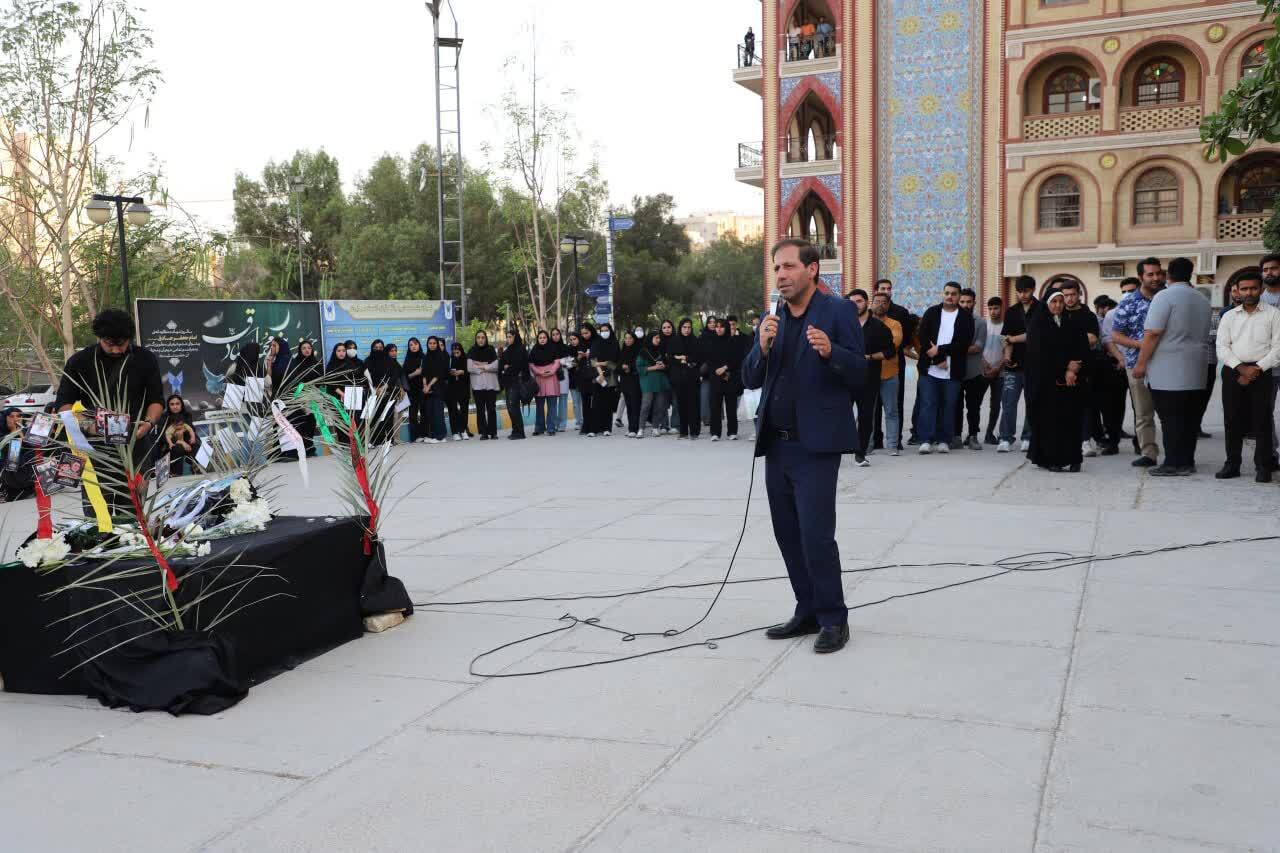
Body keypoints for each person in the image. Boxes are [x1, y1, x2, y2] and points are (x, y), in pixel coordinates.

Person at [743, 238, 865, 654]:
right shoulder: (772, 318)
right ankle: (807, 609)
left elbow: (860, 371)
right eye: (777, 267)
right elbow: (749, 377)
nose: (781, 275)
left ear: (812, 269)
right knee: (788, 536)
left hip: (815, 448)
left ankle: (833, 618)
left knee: (816, 536)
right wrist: (761, 347)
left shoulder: (837, 311)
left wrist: (832, 353)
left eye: (789, 266)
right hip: (777, 448)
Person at [54, 309, 164, 517]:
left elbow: (156, 400)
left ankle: (133, 534)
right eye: (109, 344)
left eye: (121, 344)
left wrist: (149, 423)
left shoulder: (145, 359)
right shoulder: (79, 361)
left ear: (129, 338)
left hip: (135, 444)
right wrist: (89, 426)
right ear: (99, 337)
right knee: (98, 515)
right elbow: (63, 404)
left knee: (133, 512)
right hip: (95, 447)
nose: (115, 349)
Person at [1133, 257, 1211, 476]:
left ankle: (1174, 463)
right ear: (1190, 274)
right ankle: (1187, 461)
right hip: (1197, 368)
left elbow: (1153, 333)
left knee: (1171, 419)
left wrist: (1141, 363)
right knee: (1189, 419)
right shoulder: (1202, 298)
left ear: (1168, 275)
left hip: (1169, 370)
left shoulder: (1164, 296)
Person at [1215, 269, 1280, 482]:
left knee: (1262, 420)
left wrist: (1256, 369)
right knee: (1232, 419)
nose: (1249, 292)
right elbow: (1222, 347)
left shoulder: (1274, 314)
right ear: (1237, 291)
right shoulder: (1229, 316)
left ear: (1261, 289)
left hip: (1262, 371)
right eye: (1244, 289)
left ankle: (1263, 466)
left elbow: (1278, 348)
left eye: (1253, 288)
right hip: (1233, 370)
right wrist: (1241, 368)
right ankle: (1232, 464)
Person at [1026, 291, 1090, 473]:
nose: (1058, 305)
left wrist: (1074, 369)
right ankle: (1052, 459)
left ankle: (1074, 458)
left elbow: (1082, 347)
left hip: (1071, 382)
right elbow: (1040, 353)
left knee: (1071, 420)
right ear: (1047, 303)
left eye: (1061, 301)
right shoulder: (1038, 324)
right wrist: (1065, 366)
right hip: (1046, 383)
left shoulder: (1072, 323)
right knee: (1051, 422)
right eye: (1054, 301)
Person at [1110, 259, 1164, 468]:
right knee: (1143, 413)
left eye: (1158, 273)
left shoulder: (1167, 298)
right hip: (1137, 365)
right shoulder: (1128, 302)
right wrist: (1142, 345)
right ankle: (1149, 453)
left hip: (1167, 364)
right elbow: (1116, 335)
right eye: (1150, 274)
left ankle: (1177, 454)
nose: (1155, 278)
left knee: (1170, 413)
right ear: (1141, 277)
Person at [917, 281, 975, 455]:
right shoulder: (932, 312)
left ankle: (944, 440)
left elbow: (963, 344)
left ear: (959, 296)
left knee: (949, 406)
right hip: (930, 369)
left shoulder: (965, 317)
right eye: (947, 293)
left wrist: (940, 350)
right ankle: (926, 440)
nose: (950, 296)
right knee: (928, 404)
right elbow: (923, 336)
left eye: (954, 294)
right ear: (943, 294)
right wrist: (938, 359)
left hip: (953, 370)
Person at [849, 289, 893, 464]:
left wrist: (870, 357)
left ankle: (860, 453)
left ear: (867, 303)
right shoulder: (843, 324)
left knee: (866, 416)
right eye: (851, 302)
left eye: (859, 301)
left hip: (869, 378)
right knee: (839, 414)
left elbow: (889, 351)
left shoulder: (879, 327)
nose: (855, 305)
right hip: (844, 378)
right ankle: (837, 448)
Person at [1059, 280, 1101, 458]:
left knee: (1085, 405)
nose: (1069, 299)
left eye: (1072, 295)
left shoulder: (1087, 315)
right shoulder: (1058, 313)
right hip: (1061, 365)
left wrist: (1067, 338)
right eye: (1065, 295)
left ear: (1079, 294)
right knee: (1063, 405)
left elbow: (1092, 339)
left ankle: (1085, 440)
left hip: (1084, 366)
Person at [873, 278, 916, 450]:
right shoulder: (868, 316)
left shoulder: (900, 313)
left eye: (889, 288)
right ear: (875, 292)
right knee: (872, 407)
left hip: (894, 365)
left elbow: (902, 340)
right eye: (883, 288)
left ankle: (895, 441)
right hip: (871, 367)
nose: (886, 291)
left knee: (894, 405)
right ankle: (874, 441)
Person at [997, 276, 1038, 453]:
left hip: (1035, 366)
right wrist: (1007, 357)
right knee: (1008, 403)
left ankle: (1028, 437)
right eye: (1019, 292)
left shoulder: (1042, 310)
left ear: (1033, 289)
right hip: (1013, 367)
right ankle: (1005, 438)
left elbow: (1035, 335)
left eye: (1026, 291)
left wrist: (1013, 339)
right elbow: (1007, 338)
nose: (1023, 295)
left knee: (1032, 403)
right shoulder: (1012, 311)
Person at [949, 289, 989, 451]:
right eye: (963, 302)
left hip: (974, 372)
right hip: (955, 371)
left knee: (973, 407)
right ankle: (956, 437)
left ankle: (973, 436)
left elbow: (978, 347)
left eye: (969, 302)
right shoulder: (951, 320)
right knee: (955, 406)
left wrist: (954, 349)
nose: (965, 305)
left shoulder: (980, 322)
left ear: (974, 303)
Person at [870, 292, 904, 456]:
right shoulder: (864, 322)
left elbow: (893, 344)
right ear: (871, 303)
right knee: (867, 411)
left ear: (888, 305)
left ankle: (892, 445)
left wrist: (871, 350)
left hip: (889, 374)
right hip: (868, 374)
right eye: (877, 301)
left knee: (891, 411)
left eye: (884, 302)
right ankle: (866, 444)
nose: (880, 305)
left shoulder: (895, 324)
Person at [1096, 296, 1129, 455]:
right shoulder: (1112, 315)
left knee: (1140, 408)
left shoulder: (1148, 310)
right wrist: (1120, 358)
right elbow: (1107, 339)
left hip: (1140, 363)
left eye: (1131, 291)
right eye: (1125, 291)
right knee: (1113, 406)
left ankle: (1141, 443)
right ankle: (1113, 440)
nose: (1128, 294)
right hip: (1115, 365)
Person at [705, 317, 746, 441]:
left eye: (721, 326)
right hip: (715, 377)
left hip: (730, 377)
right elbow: (708, 360)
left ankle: (732, 432)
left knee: (731, 406)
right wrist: (717, 370)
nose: (718, 329)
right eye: (717, 326)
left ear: (726, 328)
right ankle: (715, 433)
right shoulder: (710, 342)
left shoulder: (733, 342)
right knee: (715, 406)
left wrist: (725, 368)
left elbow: (737, 359)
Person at [669, 318, 703, 439]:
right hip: (679, 378)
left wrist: (684, 358)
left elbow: (698, 357)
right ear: (680, 328)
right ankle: (683, 431)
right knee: (681, 405)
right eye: (684, 327)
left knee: (693, 405)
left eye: (689, 327)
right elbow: (671, 358)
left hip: (692, 377)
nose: (687, 330)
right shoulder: (674, 341)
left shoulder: (695, 341)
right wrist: (684, 360)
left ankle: (694, 431)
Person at [287, 339, 322, 457]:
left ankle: (310, 448)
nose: (307, 350)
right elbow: (293, 381)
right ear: (300, 350)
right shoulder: (295, 364)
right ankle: (301, 449)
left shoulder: (317, 364)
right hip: (298, 397)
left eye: (309, 348)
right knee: (300, 423)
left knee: (311, 422)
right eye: (304, 348)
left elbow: (321, 379)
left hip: (312, 396)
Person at [636, 329, 671, 438]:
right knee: (646, 405)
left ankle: (655, 427)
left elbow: (668, 364)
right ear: (650, 339)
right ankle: (641, 428)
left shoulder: (661, 350)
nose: (658, 340)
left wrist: (664, 366)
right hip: (648, 382)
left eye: (659, 338)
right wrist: (654, 367)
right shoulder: (643, 352)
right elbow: (639, 368)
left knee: (659, 406)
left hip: (660, 381)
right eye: (656, 338)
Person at [589, 322, 621, 437]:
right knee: (596, 403)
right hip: (597, 377)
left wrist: (603, 365)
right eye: (602, 331)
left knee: (608, 403)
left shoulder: (615, 343)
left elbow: (615, 363)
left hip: (610, 377)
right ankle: (594, 429)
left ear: (610, 331)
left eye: (606, 330)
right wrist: (600, 373)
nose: (604, 332)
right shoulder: (596, 343)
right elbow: (593, 361)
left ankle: (607, 428)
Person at [528, 330, 562, 436]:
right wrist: (539, 372)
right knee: (539, 405)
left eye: (544, 337)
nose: (542, 339)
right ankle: (539, 428)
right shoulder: (534, 350)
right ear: (537, 339)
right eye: (540, 338)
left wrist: (551, 371)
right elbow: (531, 364)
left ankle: (551, 428)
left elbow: (557, 361)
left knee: (552, 405)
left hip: (552, 378)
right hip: (539, 379)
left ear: (547, 339)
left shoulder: (553, 348)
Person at [467, 332, 500, 440]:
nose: (480, 340)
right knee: (480, 410)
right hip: (477, 386)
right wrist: (487, 366)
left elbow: (496, 365)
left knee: (491, 409)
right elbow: (470, 367)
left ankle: (493, 432)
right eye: (478, 338)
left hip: (491, 385)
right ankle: (483, 433)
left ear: (486, 339)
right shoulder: (472, 351)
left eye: (483, 337)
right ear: (475, 339)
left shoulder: (491, 349)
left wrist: (482, 366)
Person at [981, 296, 1005, 445]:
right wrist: (984, 364)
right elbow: (978, 347)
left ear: (1002, 308)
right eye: (990, 308)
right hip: (983, 371)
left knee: (995, 405)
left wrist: (997, 368)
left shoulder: (1007, 326)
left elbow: (1009, 351)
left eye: (996, 308)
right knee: (975, 403)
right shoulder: (984, 325)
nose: (993, 311)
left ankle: (989, 434)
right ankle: (972, 433)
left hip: (1000, 373)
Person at [158, 394, 200, 475]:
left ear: (181, 405)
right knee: (178, 448)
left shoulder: (187, 415)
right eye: (172, 404)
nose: (175, 406)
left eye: (177, 404)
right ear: (168, 406)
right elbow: (163, 436)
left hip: (187, 439)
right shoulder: (164, 417)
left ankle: (197, 468)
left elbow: (191, 429)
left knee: (196, 444)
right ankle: (175, 474)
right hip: (170, 443)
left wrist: (188, 436)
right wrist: (181, 442)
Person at [0, 407, 36, 501]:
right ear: (5, 418)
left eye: (19, 416)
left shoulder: (25, 432)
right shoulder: (2, 434)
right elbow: (12, 458)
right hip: (10, 476)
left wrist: (21, 434)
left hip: (27, 474)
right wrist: (14, 433)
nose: (16, 419)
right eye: (11, 416)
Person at [499, 329, 529, 440]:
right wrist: (506, 367)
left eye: (510, 337)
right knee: (510, 407)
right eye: (507, 337)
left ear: (515, 337)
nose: (508, 339)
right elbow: (502, 365)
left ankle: (520, 432)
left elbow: (518, 366)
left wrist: (508, 367)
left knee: (513, 407)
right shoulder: (507, 350)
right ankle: (515, 430)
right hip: (508, 383)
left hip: (517, 382)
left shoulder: (521, 349)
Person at [420, 336, 450, 443]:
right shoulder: (426, 357)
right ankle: (433, 435)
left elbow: (439, 374)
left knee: (438, 413)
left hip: (438, 387)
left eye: (434, 343)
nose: (432, 345)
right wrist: (425, 385)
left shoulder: (440, 356)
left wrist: (429, 386)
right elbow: (423, 373)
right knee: (430, 413)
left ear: (437, 344)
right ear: (427, 344)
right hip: (427, 389)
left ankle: (441, 436)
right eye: (430, 343)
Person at [574, 324, 600, 436]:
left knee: (595, 402)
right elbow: (575, 362)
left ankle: (595, 426)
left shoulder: (597, 342)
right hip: (583, 376)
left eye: (587, 333)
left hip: (595, 375)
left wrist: (591, 355)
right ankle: (586, 426)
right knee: (585, 402)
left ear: (591, 331)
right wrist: (580, 357)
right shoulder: (581, 343)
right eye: (583, 333)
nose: (584, 335)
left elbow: (601, 357)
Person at [617, 329, 643, 437]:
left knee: (635, 404)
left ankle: (635, 428)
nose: (628, 340)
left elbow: (640, 365)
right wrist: (623, 368)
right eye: (626, 338)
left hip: (635, 381)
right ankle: (630, 427)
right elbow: (617, 366)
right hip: (625, 381)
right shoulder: (623, 351)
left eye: (630, 338)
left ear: (634, 339)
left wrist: (630, 368)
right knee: (629, 405)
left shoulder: (639, 351)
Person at [403, 337, 427, 442]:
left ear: (419, 345)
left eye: (415, 344)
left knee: (424, 412)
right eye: (411, 345)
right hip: (412, 390)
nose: (413, 346)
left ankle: (424, 434)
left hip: (423, 389)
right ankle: (415, 436)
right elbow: (405, 376)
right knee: (413, 413)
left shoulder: (424, 357)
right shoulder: (407, 359)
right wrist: (415, 373)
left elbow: (430, 372)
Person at [446, 341, 471, 440]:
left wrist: (462, 372)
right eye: (453, 350)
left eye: (457, 350)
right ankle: (455, 432)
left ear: (461, 350)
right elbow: (445, 372)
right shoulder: (450, 359)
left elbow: (470, 372)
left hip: (463, 388)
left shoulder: (466, 359)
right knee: (453, 410)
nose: (455, 352)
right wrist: (451, 372)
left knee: (464, 410)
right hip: (452, 388)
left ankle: (463, 430)